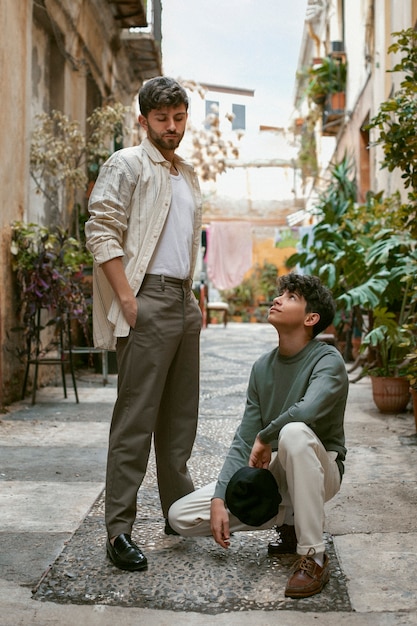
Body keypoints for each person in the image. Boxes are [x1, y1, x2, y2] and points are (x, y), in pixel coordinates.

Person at [168, 273, 348, 598]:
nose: (277, 299)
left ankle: (313, 555)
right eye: (281, 294)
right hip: (278, 477)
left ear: (311, 318)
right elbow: (243, 439)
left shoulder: (328, 361)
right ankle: (287, 519)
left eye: (290, 297)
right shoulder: (262, 368)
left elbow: (306, 412)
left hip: (322, 472)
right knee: (180, 516)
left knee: (293, 434)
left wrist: (265, 438)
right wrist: (220, 498)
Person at [85, 76, 203, 572]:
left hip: (182, 301)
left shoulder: (187, 173)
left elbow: (181, 240)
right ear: (143, 120)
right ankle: (119, 531)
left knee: (179, 423)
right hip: (146, 298)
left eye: (178, 118)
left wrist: (190, 296)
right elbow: (100, 228)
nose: (172, 127)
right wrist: (129, 299)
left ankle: (177, 515)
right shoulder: (128, 163)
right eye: (162, 119)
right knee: (135, 420)